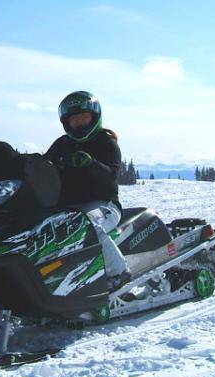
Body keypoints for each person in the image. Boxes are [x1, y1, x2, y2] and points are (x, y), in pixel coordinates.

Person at [45, 91, 131, 290]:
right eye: (74, 119)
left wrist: (91, 163)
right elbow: (44, 165)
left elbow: (110, 177)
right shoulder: (62, 144)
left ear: (94, 117)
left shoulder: (106, 142)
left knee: (87, 225)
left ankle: (119, 272)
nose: (80, 123)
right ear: (67, 123)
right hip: (68, 207)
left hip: (104, 204)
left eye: (84, 117)